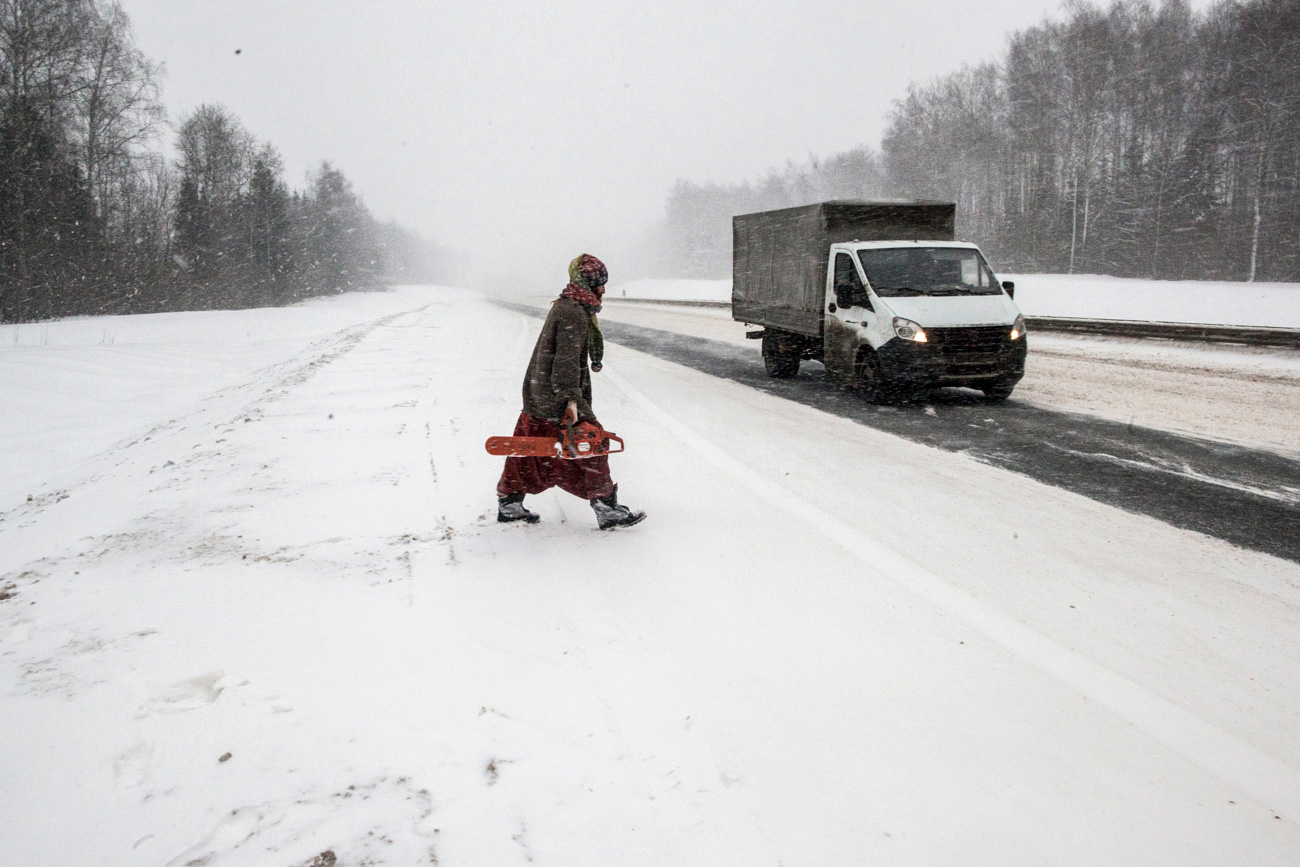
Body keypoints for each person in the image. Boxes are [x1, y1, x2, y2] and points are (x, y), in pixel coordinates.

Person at [496, 254, 646, 530]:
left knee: (530, 449)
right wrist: (572, 403)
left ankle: (509, 501)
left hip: (539, 391)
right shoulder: (573, 313)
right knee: (593, 442)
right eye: (599, 283)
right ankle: (605, 506)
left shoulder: (568, 306)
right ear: (587, 283)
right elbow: (565, 361)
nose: (603, 289)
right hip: (556, 395)